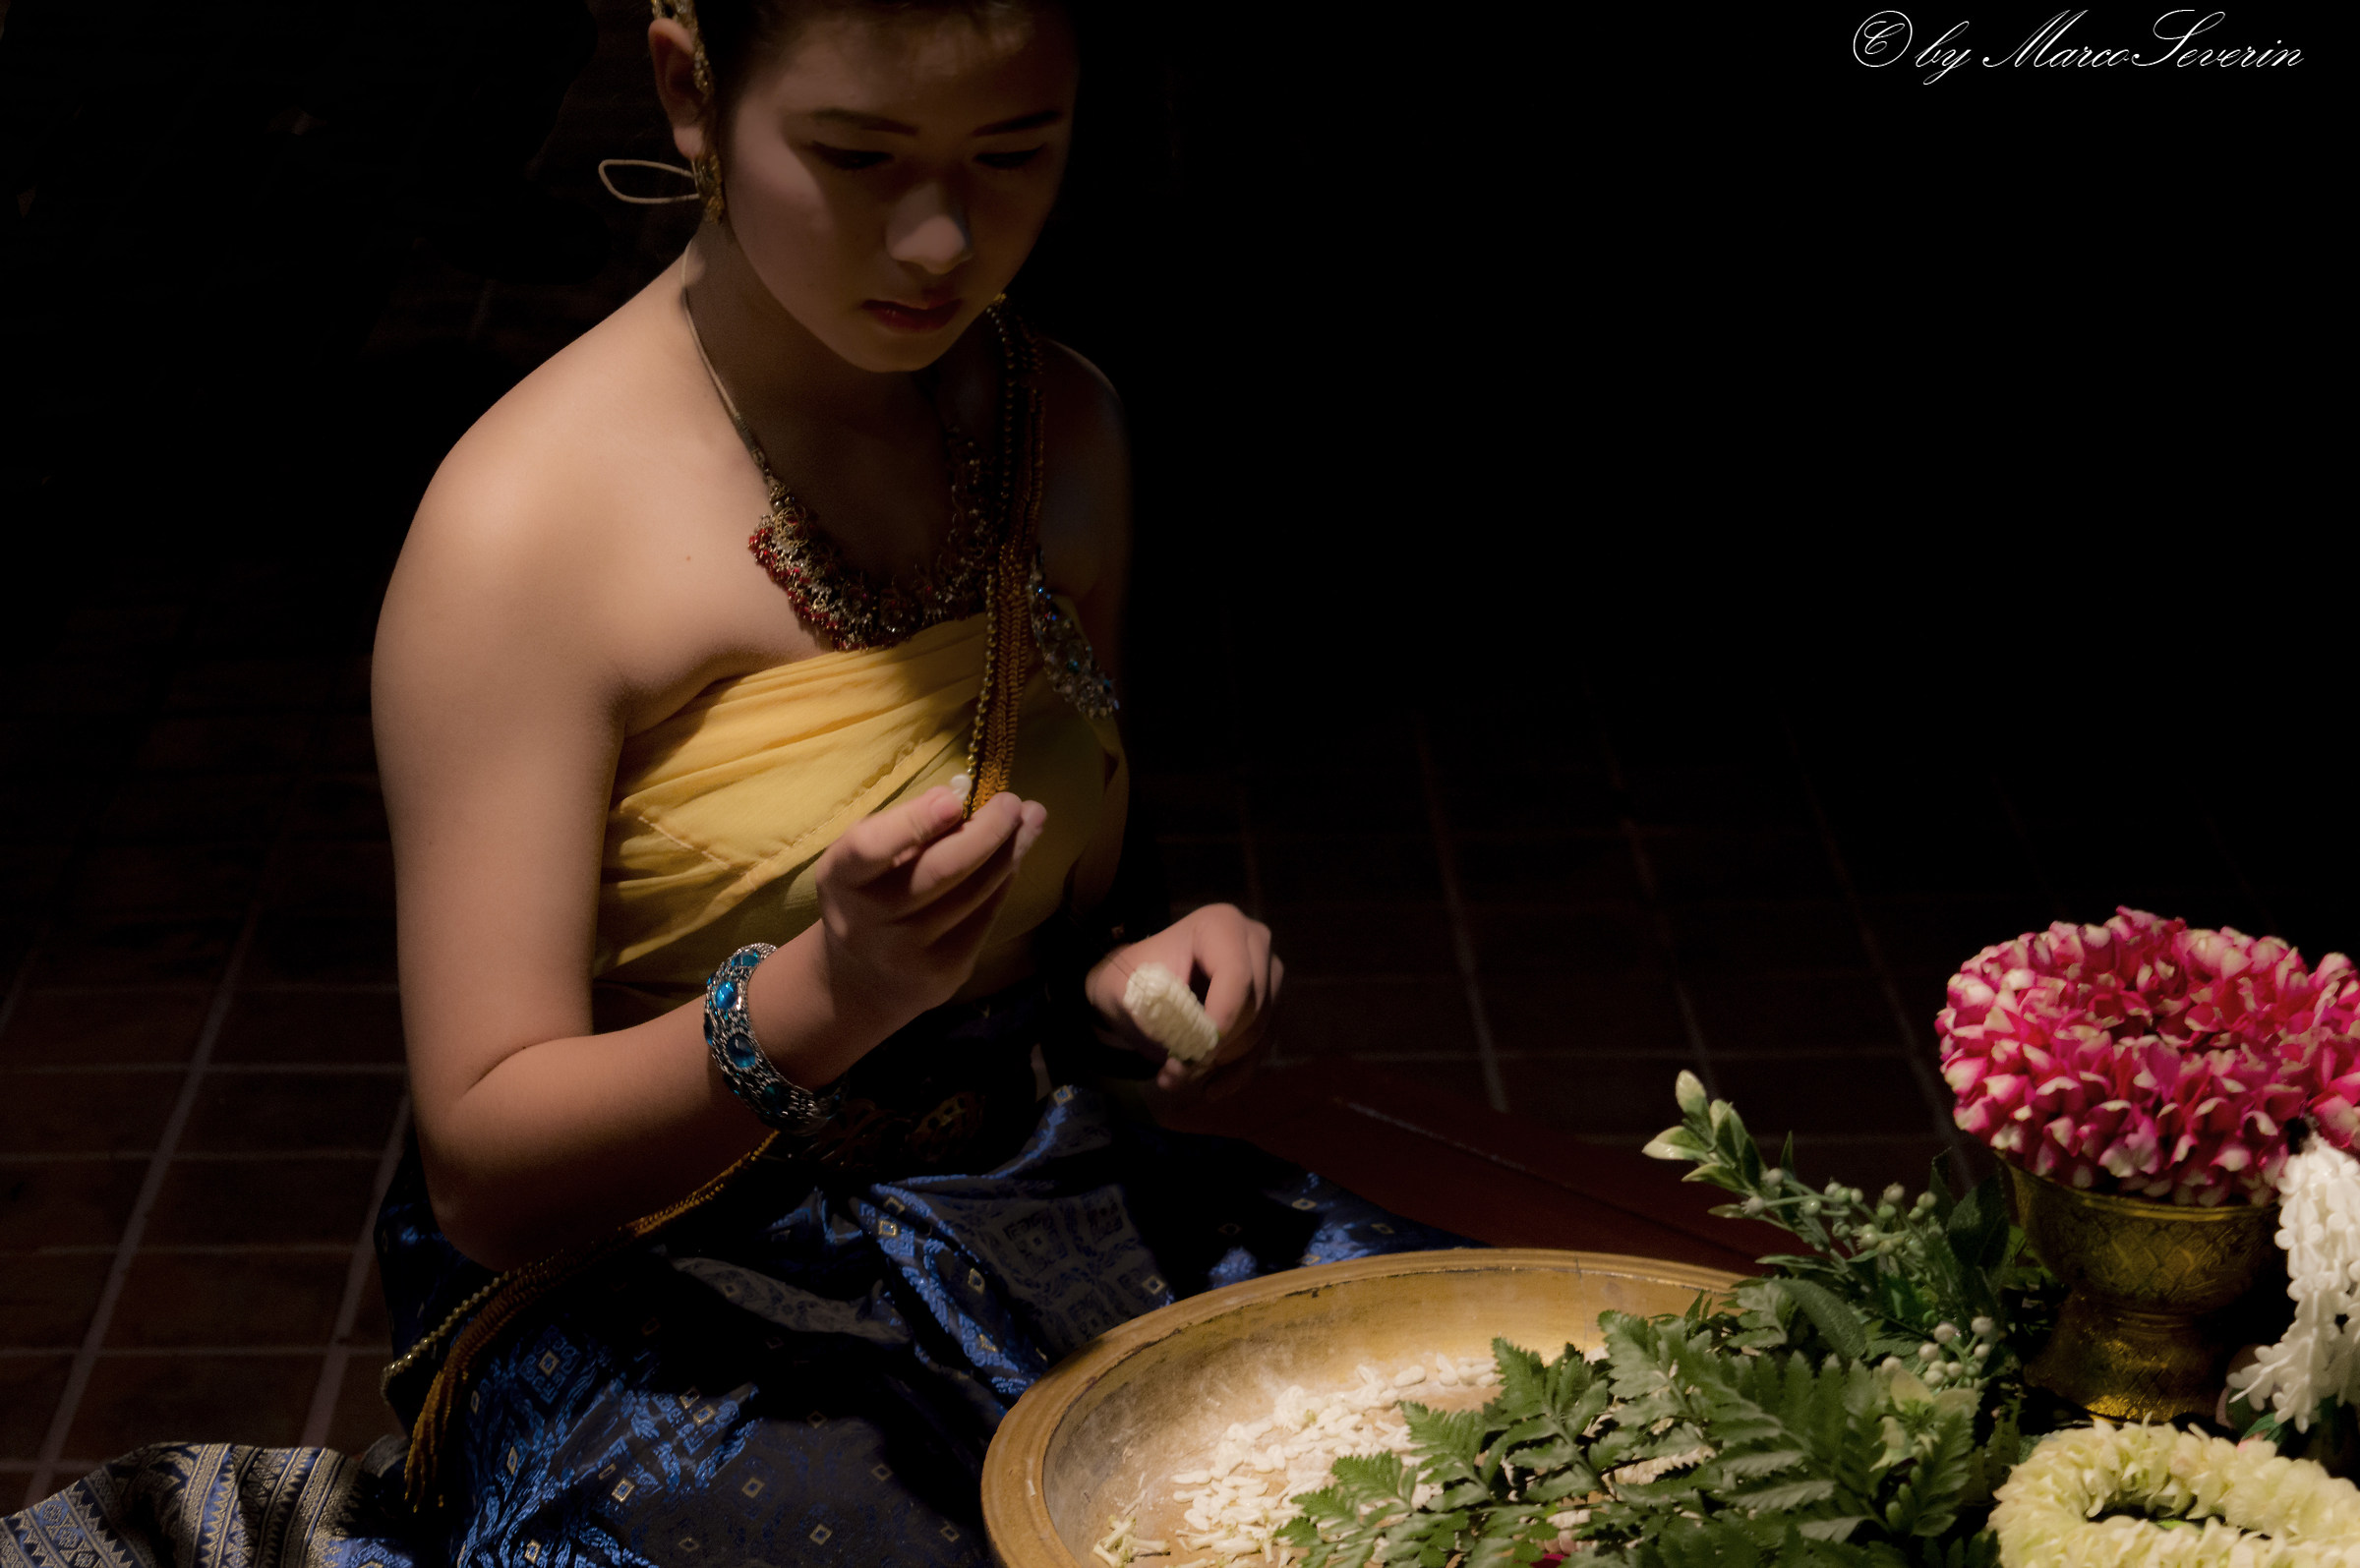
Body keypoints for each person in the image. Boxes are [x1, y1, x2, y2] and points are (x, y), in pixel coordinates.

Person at [3, 3, 1466, 1563]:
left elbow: (1078, 904)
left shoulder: (1060, 421)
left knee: (1469, 1435)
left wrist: (1146, 983)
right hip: (661, 1270)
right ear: (689, 91)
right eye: (857, 156)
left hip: (1034, 1181)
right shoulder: (526, 526)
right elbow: (488, 1175)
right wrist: (828, 996)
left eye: (1013, 153)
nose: (938, 240)